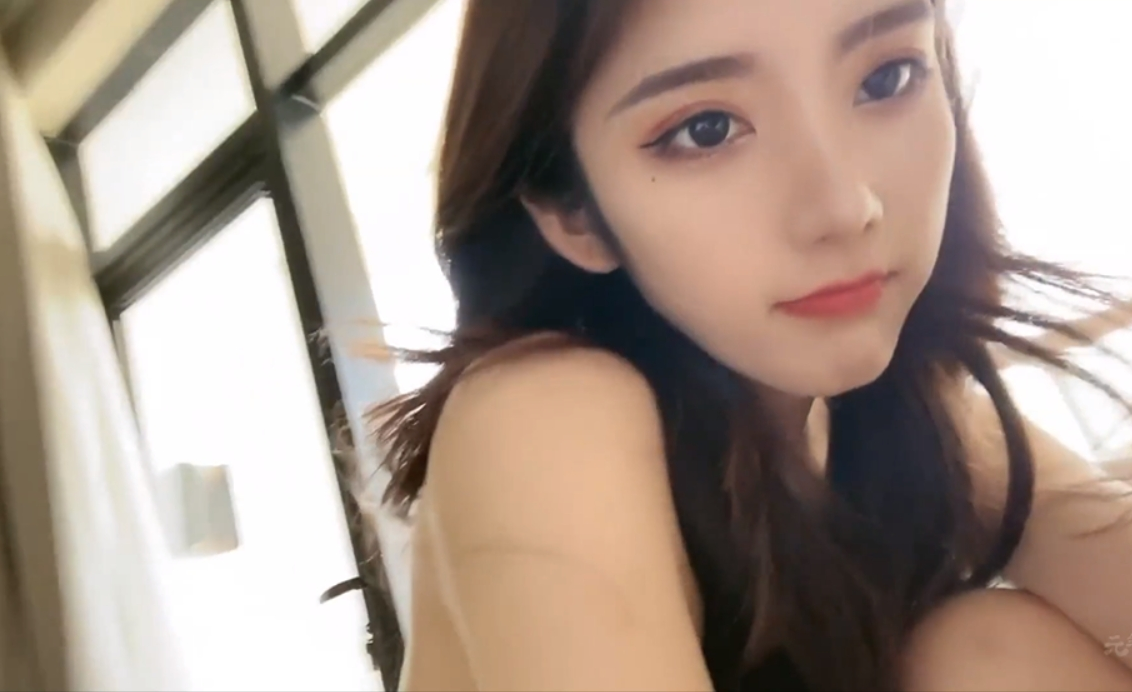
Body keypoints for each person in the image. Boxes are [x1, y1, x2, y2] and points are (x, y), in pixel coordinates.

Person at [367, 0, 1132, 689]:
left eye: (887, 78)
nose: (844, 206)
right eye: (705, 129)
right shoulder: (541, 414)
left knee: (987, 653)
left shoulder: (912, 417)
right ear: (575, 212)